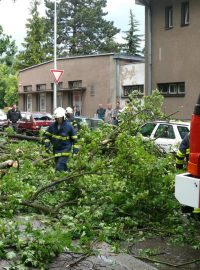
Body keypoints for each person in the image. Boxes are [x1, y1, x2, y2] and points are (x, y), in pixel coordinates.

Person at [44, 107, 79, 172]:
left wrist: (75, 152)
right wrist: (47, 146)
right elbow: (47, 137)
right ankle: (68, 178)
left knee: (59, 167)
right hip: (56, 150)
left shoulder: (69, 126)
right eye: (57, 118)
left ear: (63, 117)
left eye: (59, 118)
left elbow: (75, 140)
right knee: (62, 168)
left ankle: (57, 180)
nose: (58, 119)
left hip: (65, 150)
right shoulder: (52, 126)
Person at [175, 132, 200, 214]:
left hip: (193, 168)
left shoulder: (190, 135)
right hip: (194, 167)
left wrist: (179, 168)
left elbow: (180, 153)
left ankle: (195, 213)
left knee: (194, 188)